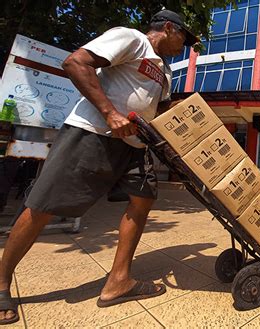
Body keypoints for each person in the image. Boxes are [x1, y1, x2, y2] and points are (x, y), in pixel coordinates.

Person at [0, 9, 199, 324]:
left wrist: (183, 109)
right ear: (169, 28)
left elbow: (155, 108)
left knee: (143, 199)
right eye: (183, 38)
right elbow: (76, 63)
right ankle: (1, 283)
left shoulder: (167, 71)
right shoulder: (131, 39)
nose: (184, 45)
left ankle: (118, 281)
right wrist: (109, 113)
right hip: (93, 133)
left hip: (134, 145)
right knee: (43, 206)